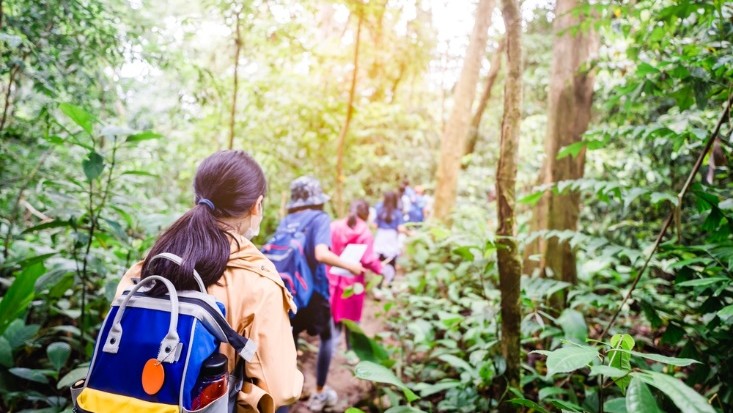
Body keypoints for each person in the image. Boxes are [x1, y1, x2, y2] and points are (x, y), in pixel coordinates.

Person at [115, 150, 303, 413]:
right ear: (256, 206)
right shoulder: (259, 283)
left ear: (197, 198)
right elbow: (280, 388)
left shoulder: (150, 265)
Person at [278, 176, 365, 412]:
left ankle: (285, 399)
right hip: (314, 293)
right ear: (317, 200)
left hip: (287, 293)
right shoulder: (319, 218)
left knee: (289, 343)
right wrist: (351, 267)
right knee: (328, 337)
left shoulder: (287, 221)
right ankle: (319, 392)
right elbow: (320, 254)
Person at [327, 200, 382, 360]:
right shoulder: (365, 232)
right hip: (352, 285)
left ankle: (328, 357)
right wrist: (380, 269)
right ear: (365, 215)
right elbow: (369, 259)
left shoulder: (334, 226)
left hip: (333, 283)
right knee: (352, 322)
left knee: (333, 324)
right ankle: (352, 355)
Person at [373, 191, 407, 289]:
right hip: (391, 238)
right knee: (392, 261)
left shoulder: (379, 209)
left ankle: (378, 286)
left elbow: (375, 224)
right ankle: (390, 286)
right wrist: (409, 232)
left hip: (381, 237)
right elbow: (400, 228)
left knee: (380, 263)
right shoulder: (397, 212)